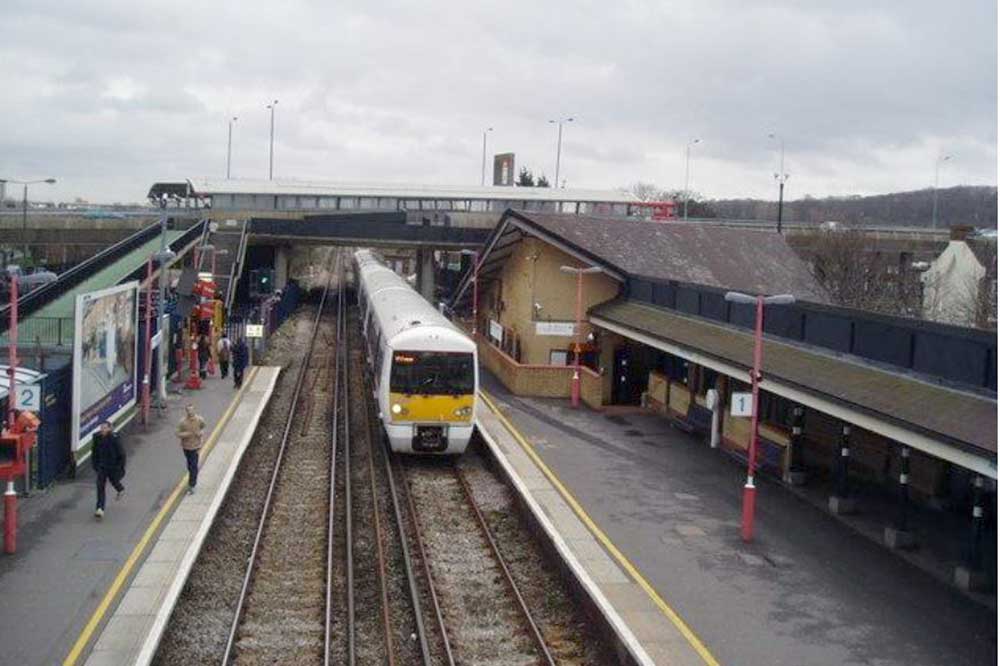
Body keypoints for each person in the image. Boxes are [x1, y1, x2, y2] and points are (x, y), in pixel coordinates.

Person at [92, 421, 125, 519]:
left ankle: (120, 489)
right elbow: (94, 452)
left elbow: (122, 454)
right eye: (101, 428)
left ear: (109, 429)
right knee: (100, 486)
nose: (102, 430)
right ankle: (100, 508)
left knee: (114, 480)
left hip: (113, 466)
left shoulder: (114, 439)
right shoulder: (97, 438)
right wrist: (95, 465)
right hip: (102, 466)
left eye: (105, 428)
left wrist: (120, 467)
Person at [176, 404, 206, 493]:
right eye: (188, 410)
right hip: (186, 447)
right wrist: (185, 434)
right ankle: (192, 477)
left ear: (194, 410)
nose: (190, 412)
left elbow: (203, 427)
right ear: (186, 411)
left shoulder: (199, 420)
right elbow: (177, 433)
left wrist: (200, 433)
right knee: (189, 465)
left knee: (193, 466)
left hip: (196, 447)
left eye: (191, 410)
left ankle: (192, 485)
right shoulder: (182, 422)